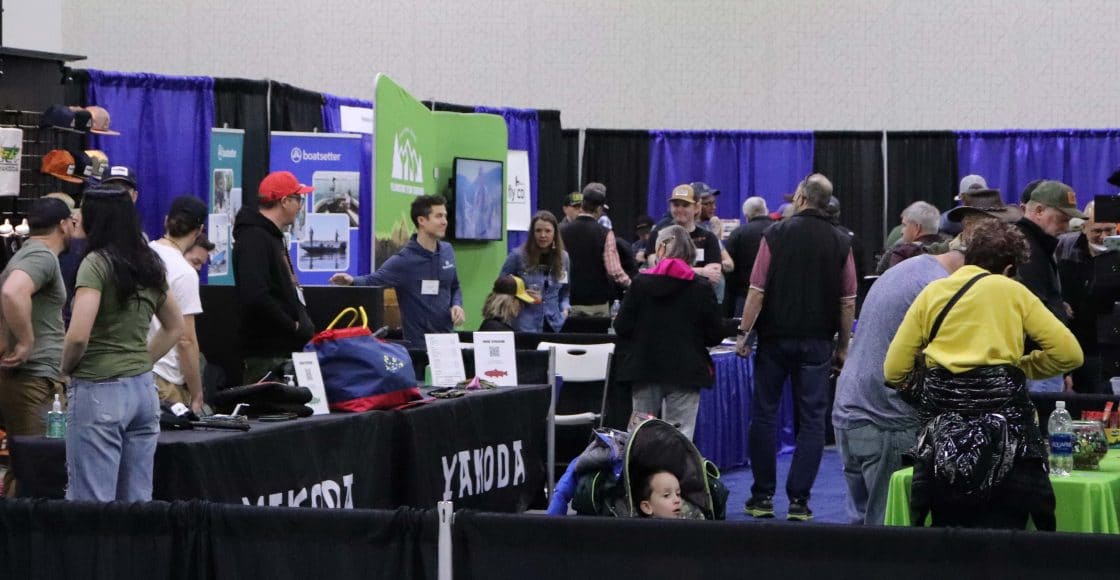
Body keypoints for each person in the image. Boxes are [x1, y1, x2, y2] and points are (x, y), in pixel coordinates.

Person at [884, 220, 1083, 530]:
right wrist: (1020, 367)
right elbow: (1069, 353)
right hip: (1009, 444)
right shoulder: (1012, 291)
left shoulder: (932, 293)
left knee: (948, 541)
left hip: (941, 445)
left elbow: (894, 370)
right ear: (1007, 267)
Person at [735, 173, 856, 522]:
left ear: (801, 197)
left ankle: (761, 496)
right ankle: (799, 501)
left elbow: (757, 290)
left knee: (764, 416)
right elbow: (848, 301)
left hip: (774, 340)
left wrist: (744, 334)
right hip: (818, 342)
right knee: (813, 422)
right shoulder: (841, 241)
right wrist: (843, 347)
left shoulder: (774, 233)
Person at [62, 185, 184, 502]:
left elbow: (77, 335)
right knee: (137, 505)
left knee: (92, 504)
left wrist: (64, 369)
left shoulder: (96, 263)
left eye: (81, 210)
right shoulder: (150, 263)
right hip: (144, 392)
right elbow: (175, 326)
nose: (75, 216)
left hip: (99, 389)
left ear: (97, 219)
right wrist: (140, 361)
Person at [833, 239, 968, 525]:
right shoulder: (941, 287)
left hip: (851, 410)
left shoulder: (907, 269)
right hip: (887, 419)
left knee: (861, 527)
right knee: (891, 531)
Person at [614, 226, 724, 440]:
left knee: (638, 434)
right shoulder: (701, 287)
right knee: (680, 438)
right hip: (686, 371)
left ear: (660, 249)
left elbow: (622, 326)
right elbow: (714, 334)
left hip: (644, 369)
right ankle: (675, 473)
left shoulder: (640, 283)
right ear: (690, 252)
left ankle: (637, 473)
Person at [0, 197, 78, 496]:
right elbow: (11, 292)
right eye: (72, 221)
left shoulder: (24, 254)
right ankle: (20, 541)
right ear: (62, 225)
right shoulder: (41, 256)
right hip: (33, 379)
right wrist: (26, 340)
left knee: (26, 467)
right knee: (36, 471)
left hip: (30, 380)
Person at [331, 195, 464, 345]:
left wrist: (457, 304)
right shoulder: (404, 260)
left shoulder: (448, 250)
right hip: (419, 346)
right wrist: (351, 280)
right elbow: (373, 280)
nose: (444, 221)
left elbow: (454, 286)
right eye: (439, 216)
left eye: (445, 216)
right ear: (422, 221)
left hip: (448, 341)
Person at [233, 171, 316, 381]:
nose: (300, 206)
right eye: (298, 199)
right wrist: (291, 325)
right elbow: (255, 295)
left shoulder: (273, 237)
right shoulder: (253, 239)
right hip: (267, 358)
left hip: (284, 354)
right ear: (285, 201)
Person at [1014, 180, 1086, 392]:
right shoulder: (1026, 247)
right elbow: (1032, 309)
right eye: (1063, 219)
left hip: (1041, 360)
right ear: (1038, 211)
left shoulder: (1034, 244)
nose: (1065, 227)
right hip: (1035, 360)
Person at [148, 196, 207, 413]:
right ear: (199, 230)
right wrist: (197, 393)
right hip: (166, 378)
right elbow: (185, 339)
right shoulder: (184, 273)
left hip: (137, 372)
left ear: (166, 221)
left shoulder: (142, 255)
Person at [1056, 201, 1120, 393]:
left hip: (1112, 344)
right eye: (1097, 231)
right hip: (1077, 343)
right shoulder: (1064, 248)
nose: (1104, 237)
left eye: (1109, 230)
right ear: (1084, 228)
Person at [559, 186, 630, 317]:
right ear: (599, 209)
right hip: (597, 303)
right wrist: (631, 283)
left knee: (569, 337)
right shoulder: (606, 233)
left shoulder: (561, 231)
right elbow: (614, 270)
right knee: (597, 337)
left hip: (569, 301)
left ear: (582, 206)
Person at [499, 211, 570, 332]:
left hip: (555, 324)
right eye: (538, 231)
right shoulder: (517, 256)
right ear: (532, 233)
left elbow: (565, 292)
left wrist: (565, 309)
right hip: (525, 325)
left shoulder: (564, 257)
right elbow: (500, 287)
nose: (543, 235)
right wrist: (521, 293)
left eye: (547, 231)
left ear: (554, 233)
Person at [648, 184, 723, 285]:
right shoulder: (658, 235)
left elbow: (714, 275)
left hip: (697, 297)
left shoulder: (709, 238)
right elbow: (656, 268)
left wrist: (672, 269)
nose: (679, 210)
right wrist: (701, 271)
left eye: (685, 205)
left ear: (696, 208)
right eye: (676, 205)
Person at [725, 197, 772, 317]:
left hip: (745, 297)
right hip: (775, 297)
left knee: (744, 334)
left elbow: (729, 267)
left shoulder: (739, 233)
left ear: (746, 215)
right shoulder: (779, 230)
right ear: (765, 210)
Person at [874, 201, 944, 274]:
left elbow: (882, 272)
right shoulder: (949, 249)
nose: (901, 231)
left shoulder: (903, 252)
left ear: (917, 228)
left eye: (904, 225)